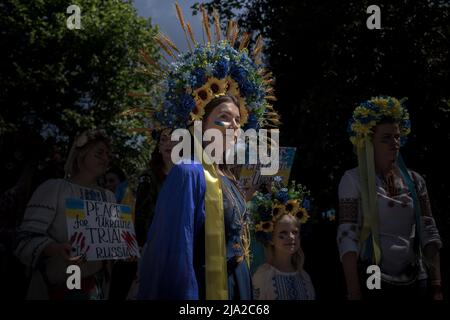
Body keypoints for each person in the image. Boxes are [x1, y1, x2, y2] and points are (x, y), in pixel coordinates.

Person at [135, 6, 280, 299]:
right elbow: (176, 257)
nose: (233, 127)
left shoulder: (228, 178)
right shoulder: (188, 173)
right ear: (199, 126)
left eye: (238, 121)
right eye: (223, 118)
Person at [338, 96, 443, 300]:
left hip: (415, 273)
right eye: (386, 138)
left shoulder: (415, 180)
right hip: (373, 272)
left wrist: (437, 285)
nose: (394, 143)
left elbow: (428, 230)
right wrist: (354, 292)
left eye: (397, 137)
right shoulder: (353, 179)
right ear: (369, 142)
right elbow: (347, 236)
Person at [15, 129, 116, 299]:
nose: (106, 159)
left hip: (95, 289)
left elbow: (113, 243)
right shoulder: (54, 188)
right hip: (53, 286)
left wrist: (124, 248)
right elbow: (24, 238)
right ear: (80, 155)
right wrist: (55, 248)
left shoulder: (109, 197)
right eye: (99, 153)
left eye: (107, 154)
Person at [250, 178, 315, 300]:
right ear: (271, 238)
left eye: (295, 232)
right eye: (283, 233)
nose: (291, 237)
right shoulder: (263, 276)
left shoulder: (304, 277)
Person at [134, 128, 174, 247]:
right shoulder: (149, 177)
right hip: (156, 245)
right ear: (159, 147)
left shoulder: (187, 176)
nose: (168, 143)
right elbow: (142, 215)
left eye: (173, 139)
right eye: (163, 140)